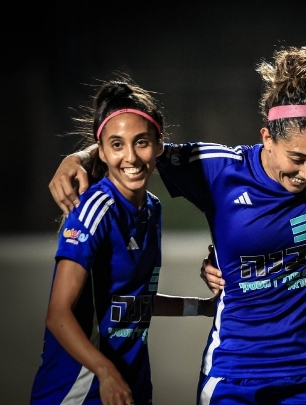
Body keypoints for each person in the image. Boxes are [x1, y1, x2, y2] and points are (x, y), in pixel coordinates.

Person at [46, 40, 306, 405]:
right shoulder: (217, 169)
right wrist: (77, 158)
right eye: (296, 159)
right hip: (234, 373)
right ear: (267, 137)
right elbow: (138, 144)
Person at [30, 75, 215, 405]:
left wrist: (202, 308)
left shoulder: (152, 209)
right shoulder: (94, 210)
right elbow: (58, 315)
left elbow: (133, 303)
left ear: (159, 144)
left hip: (132, 387)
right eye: (117, 145)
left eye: (141, 142)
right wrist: (106, 373)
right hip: (81, 391)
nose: (130, 157)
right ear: (101, 151)